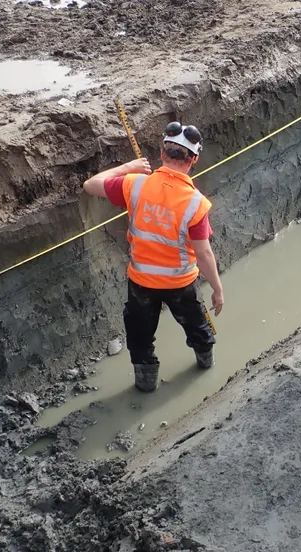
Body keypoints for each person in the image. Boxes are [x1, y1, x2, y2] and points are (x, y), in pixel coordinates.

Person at [83, 122, 224, 392]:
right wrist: (217, 289)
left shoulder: (135, 184)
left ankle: (146, 385)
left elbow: (91, 185)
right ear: (194, 159)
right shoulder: (196, 203)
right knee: (198, 327)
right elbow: (204, 252)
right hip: (181, 284)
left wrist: (128, 168)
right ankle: (206, 363)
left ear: (162, 153)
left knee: (139, 337)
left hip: (141, 283)